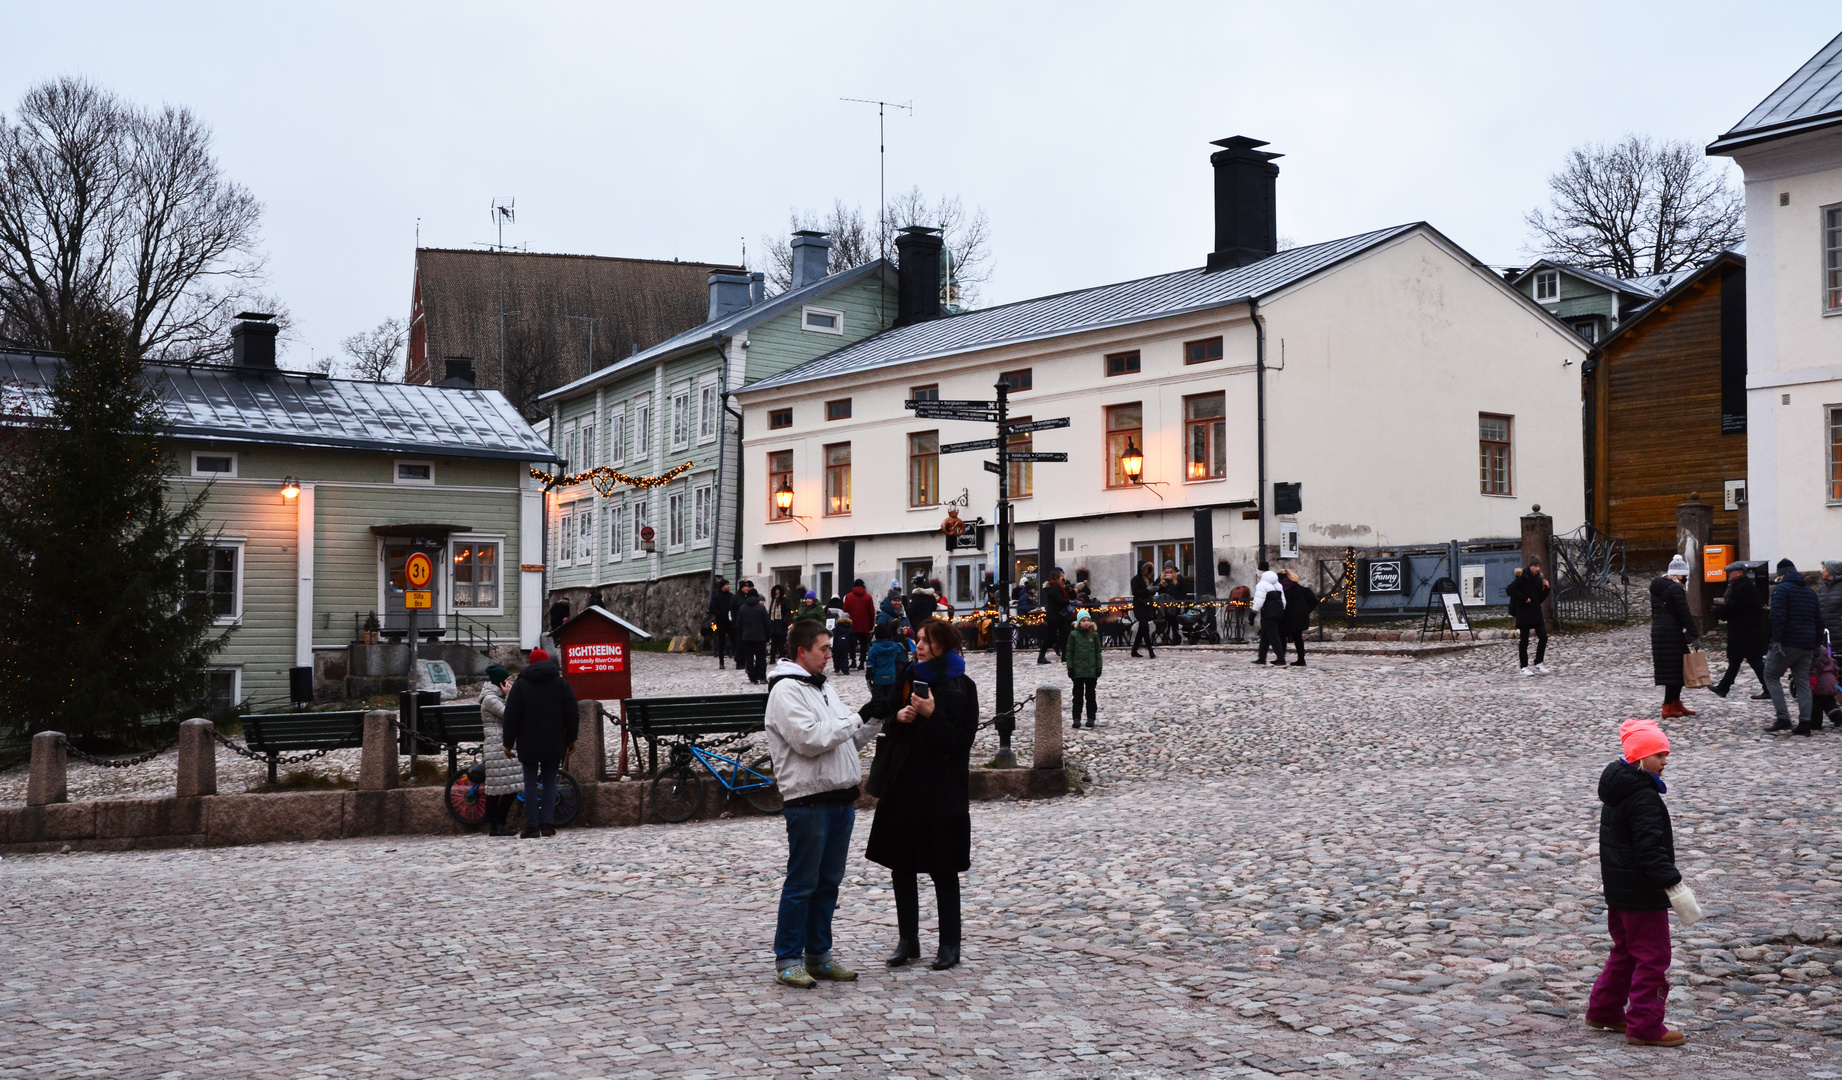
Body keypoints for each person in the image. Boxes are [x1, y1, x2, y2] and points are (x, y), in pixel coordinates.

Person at [764, 618, 889, 988]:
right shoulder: (786, 691)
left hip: (839, 799)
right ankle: (788, 958)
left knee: (828, 883)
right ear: (802, 652)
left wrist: (874, 719)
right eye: (823, 649)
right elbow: (810, 740)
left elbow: (846, 742)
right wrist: (857, 716)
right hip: (809, 802)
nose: (829, 654)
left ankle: (818, 954)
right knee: (802, 883)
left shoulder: (822, 688)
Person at [866, 617, 979, 972]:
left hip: (942, 790)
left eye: (926, 641)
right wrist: (897, 718)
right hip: (903, 785)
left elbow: (962, 743)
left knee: (943, 868)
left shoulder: (963, 686)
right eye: (917, 639)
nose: (919, 646)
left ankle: (950, 944)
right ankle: (908, 940)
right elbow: (889, 724)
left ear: (943, 645)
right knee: (902, 866)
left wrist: (931, 715)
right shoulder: (907, 677)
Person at [1585, 717, 1700, 1048]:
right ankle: (1646, 1024)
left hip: (1619, 893)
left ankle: (1604, 1010)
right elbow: (1651, 852)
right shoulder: (1643, 797)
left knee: (1624, 952)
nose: (1665, 762)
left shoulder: (1619, 789)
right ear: (1639, 758)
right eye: (1660, 756)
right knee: (1653, 957)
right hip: (1642, 895)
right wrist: (1675, 886)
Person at [501, 647, 579, 839]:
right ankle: (547, 824)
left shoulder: (521, 685)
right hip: (554, 740)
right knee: (550, 782)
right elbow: (571, 713)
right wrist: (571, 738)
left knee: (529, 782)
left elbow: (512, 716)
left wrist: (508, 743)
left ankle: (532, 826)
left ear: (530, 664)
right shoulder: (560, 683)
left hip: (528, 741)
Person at [1764, 558, 1825, 735]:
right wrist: (1815, 645)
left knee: (1771, 675)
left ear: (1781, 575)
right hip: (1807, 644)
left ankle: (1783, 717)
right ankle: (1805, 723)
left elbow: (1778, 617)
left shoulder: (1781, 590)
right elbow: (1818, 621)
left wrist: (1776, 640)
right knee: (1803, 681)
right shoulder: (1810, 591)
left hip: (1788, 642)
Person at [1712, 562, 1771, 700]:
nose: (1728, 575)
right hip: (1744, 630)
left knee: (1753, 660)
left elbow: (1733, 606)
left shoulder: (1743, 587)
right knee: (1738, 660)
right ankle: (1723, 688)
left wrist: (1718, 612)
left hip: (1745, 631)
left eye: (1730, 572)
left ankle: (1769, 688)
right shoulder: (1741, 586)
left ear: (1739, 572)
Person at [1649, 558, 1700, 719]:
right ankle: (1667, 706)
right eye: (1685, 576)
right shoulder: (1676, 589)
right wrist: (1695, 634)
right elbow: (1684, 613)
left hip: (1659, 631)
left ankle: (1675, 702)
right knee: (1676, 669)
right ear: (1680, 575)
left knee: (1674, 669)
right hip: (1672, 632)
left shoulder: (1658, 587)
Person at [477, 665, 524, 836]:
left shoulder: (497, 696)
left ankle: (501, 823)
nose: (510, 682)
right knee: (495, 789)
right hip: (496, 746)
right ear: (500, 683)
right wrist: (509, 696)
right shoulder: (490, 699)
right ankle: (494, 825)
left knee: (512, 786)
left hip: (504, 746)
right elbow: (509, 714)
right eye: (507, 680)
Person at [1507, 560, 1552, 676]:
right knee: (1524, 641)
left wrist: (1547, 588)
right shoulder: (1522, 578)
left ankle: (1538, 663)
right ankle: (1524, 667)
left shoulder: (1538, 579)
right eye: (1535, 566)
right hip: (1524, 613)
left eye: (1539, 566)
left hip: (1536, 613)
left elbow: (1539, 599)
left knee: (1543, 637)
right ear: (1530, 566)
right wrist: (1524, 598)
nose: (1537, 568)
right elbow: (1510, 589)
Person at [864, 620, 911, 716]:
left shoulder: (874, 648)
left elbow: (871, 662)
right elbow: (901, 648)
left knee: (878, 698)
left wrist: (869, 674)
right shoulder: (895, 646)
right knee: (890, 697)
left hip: (878, 677)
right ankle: (890, 713)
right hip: (891, 676)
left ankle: (878, 714)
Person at [1065, 608, 1102, 728]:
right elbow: (1069, 652)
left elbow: (1098, 653)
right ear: (1079, 622)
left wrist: (1098, 667)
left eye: (1087, 620)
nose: (1086, 623)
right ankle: (1076, 718)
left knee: (1091, 696)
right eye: (1083, 620)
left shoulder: (1094, 635)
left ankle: (1091, 717)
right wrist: (1070, 668)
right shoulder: (1074, 635)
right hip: (1078, 671)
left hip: (1091, 671)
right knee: (1077, 696)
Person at [1818, 561, 1842, 726]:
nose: (1821, 571)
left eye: (1824, 568)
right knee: (1829, 674)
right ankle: (1834, 710)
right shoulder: (1823, 588)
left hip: (1839, 635)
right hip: (1826, 638)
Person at [1278, 569, 1317, 667]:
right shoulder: (1301, 588)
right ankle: (1301, 659)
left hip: (1287, 616)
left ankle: (1281, 658)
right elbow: (1315, 600)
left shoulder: (1283, 589)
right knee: (1297, 638)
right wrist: (1306, 610)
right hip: (1299, 617)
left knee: (1282, 636)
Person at [734, 586, 770, 683]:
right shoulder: (761, 608)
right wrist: (767, 636)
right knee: (761, 657)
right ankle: (762, 677)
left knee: (749, 658)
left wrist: (742, 635)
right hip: (760, 637)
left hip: (747, 637)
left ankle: (752, 678)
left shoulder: (742, 608)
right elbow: (767, 623)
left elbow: (739, 624)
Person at [1252, 568, 1287, 666]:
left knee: (1273, 636)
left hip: (1268, 614)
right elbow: (1283, 601)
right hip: (1278, 613)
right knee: (1265, 636)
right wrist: (1281, 611)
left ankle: (1281, 659)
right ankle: (1262, 658)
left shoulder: (1262, 585)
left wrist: (1253, 612)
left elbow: (1259, 600)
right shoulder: (1278, 586)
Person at [1037, 567, 1071, 665]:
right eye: (1061, 575)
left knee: (1064, 635)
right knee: (1050, 636)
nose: (1063, 577)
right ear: (1057, 577)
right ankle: (1041, 656)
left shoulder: (1061, 587)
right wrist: (1068, 601)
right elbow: (1060, 600)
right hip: (1055, 615)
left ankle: (1065, 655)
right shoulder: (1054, 587)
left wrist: (1070, 590)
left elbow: (1069, 595)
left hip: (1061, 615)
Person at [844, 579, 876, 670]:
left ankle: (853, 661)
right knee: (863, 645)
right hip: (864, 625)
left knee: (852, 644)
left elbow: (845, 610)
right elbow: (871, 612)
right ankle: (862, 663)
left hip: (852, 625)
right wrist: (871, 625)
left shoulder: (848, 597)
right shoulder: (868, 597)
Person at [1129, 561, 1158, 659]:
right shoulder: (1135, 579)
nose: (1146, 571)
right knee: (1145, 628)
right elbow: (1136, 593)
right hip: (1139, 606)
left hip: (1146, 606)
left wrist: (1154, 589)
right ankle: (1150, 651)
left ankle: (1134, 650)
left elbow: (1149, 594)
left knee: (1142, 629)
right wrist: (1148, 590)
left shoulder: (1148, 579)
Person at [708, 578, 736, 669]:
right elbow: (712, 608)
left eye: (729, 585)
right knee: (721, 641)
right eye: (727, 585)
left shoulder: (731, 596)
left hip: (730, 622)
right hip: (720, 622)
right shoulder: (716, 596)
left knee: (734, 639)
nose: (728, 586)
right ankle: (721, 661)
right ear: (722, 586)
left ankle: (737, 657)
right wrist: (720, 614)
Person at [826, 595, 854, 675]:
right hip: (845, 645)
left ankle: (837, 668)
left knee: (836, 656)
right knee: (845, 657)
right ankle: (845, 669)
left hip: (837, 644)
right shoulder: (850, 627)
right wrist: (852, 644)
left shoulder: (838, 625)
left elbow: (833, 632)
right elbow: (852, 637)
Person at [767, 584, 791, 660]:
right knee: (773, 642)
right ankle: (772, 657)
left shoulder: (785, 600)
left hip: (781, 623)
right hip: (773, 623)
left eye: (778, 590)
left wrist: (785, 620)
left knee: (781, 642)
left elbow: (788, 611)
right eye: (776, 590)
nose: (777, 592)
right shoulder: (773, 600)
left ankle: (781, 656)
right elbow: (771, 612)